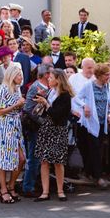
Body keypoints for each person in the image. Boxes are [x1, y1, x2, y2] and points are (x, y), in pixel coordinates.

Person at [33, 69, 74, 202]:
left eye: (51, 78)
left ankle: (60, 191)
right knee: (44, 161)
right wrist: (42, 101)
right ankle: (45, 192)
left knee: (58, 161)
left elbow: (57, 115)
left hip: (58, 129)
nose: (48, 80)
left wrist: (46, 104)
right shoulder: (50, 92)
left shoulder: (65, 95)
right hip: (46, 128)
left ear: (58, 79)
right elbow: (46, 113)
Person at [75, 63, 110, 188]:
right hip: (91, 123)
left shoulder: (107, 86)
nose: (109, 77)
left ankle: (88, 172)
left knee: (98, 148)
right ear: (100, 75)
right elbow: (77, 98)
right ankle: (98, 177)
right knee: (95, 149)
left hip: (102, 122)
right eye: (107, 75)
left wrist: (109, 114)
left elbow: (106, 103)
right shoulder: (89, 85)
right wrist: (85, 106)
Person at [0, 65, 26, 204]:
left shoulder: (17, 89)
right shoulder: (2, 89)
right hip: (5, 125)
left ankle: (11, 185)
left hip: (16, 125)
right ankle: (3, 189)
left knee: (21, 158)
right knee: (4, 158)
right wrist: (16, 105)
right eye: (19, 75)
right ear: (12, 76)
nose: (21, 78)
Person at [20, 64, 50, 197]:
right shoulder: (36, 87)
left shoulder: (46, 87)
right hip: (34, 127)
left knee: (37, 157)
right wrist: (43, 123)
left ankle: (31, 184)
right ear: (45, 75)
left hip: (39, 127)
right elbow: (28, 109)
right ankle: (27, 187)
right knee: (33, 157)